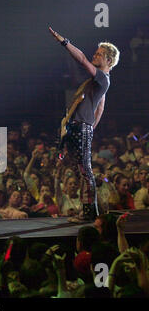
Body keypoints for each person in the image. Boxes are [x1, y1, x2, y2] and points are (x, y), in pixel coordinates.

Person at [49, 27, 120, 221]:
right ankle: (87, 210)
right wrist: (90, 129)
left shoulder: (102, 77)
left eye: (99, 54)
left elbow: (81, 59)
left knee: (85, 170)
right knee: (81, 169)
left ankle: (89, 213)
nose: (94, 56)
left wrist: (64, 42)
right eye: (96, 53)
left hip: (82, 125)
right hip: (81, 126)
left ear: (109, 61)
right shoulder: (100, 82)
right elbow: (100, 108)